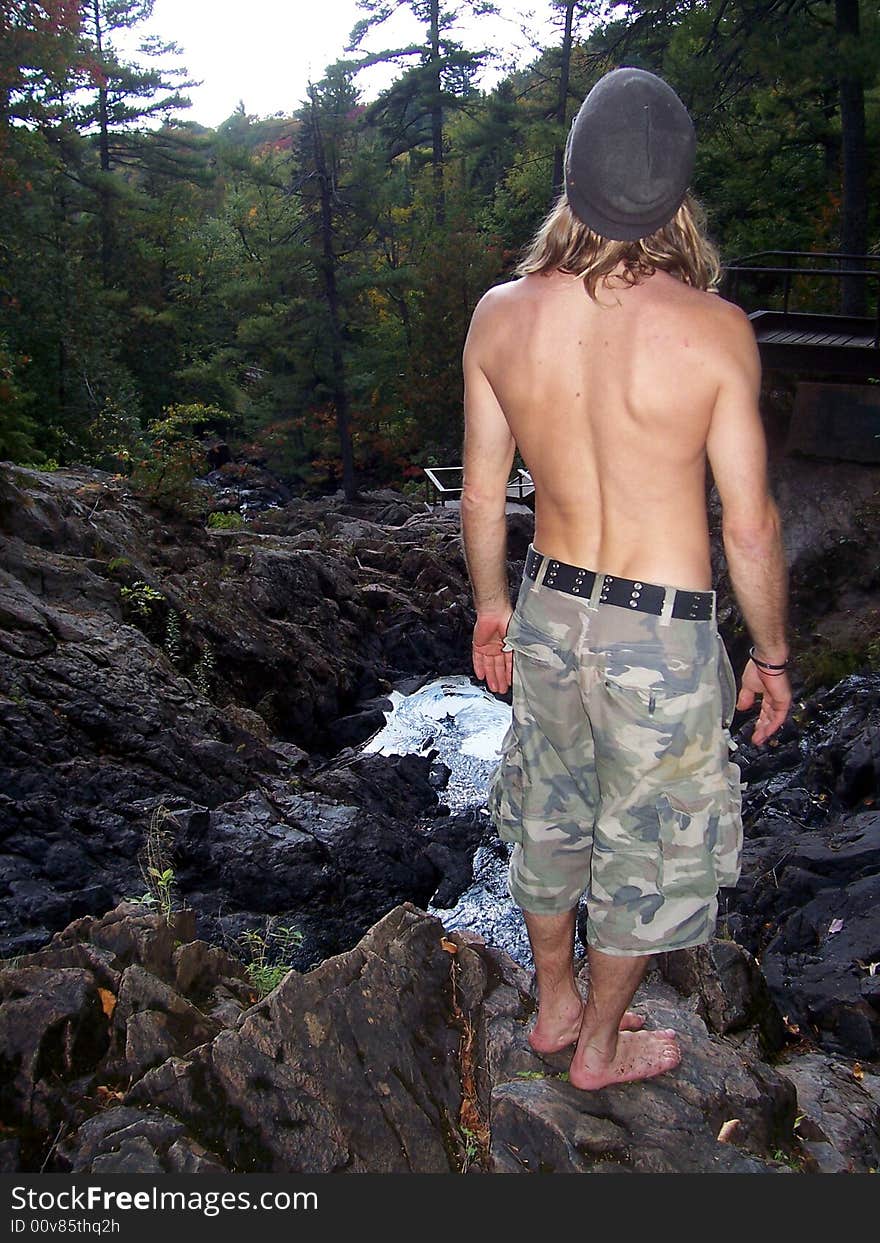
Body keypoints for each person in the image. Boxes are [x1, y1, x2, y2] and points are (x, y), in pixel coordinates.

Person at [460, 67, 793, 1091]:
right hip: (661, 632)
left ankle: (555, 1005)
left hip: (552, 606)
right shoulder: (715, 330)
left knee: (549, 812)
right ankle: (598, 1048)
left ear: (573, 179)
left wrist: (491, 608)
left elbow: (479, 499)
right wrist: (772, 654)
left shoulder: (500, 314)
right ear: (676, 193)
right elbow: (748, 522)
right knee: (646, 859)